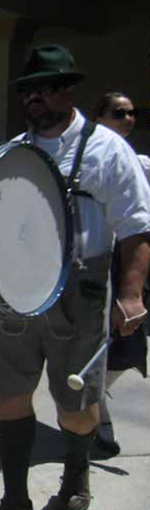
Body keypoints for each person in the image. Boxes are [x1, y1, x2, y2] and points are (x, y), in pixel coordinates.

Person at [0, 45, 150, 510]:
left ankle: (75, 475)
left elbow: (138, 226)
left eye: (45, 88)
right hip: (12, 288)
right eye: (28, 90)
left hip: (80, 289)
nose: (33, 98)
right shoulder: (12, 152)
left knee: (74, 403)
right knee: (10, 394)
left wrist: (132, 295)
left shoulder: (106, 148)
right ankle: (15, 503)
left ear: (69, 90)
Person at [92, 91, 149, 455]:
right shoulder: (90, 158)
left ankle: (96, 393)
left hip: (131, 261)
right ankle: (97, 413)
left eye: (132, 114)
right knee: (100, 344)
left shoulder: (141, 163)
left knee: (130, 348)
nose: (127, 119)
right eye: (118, 113)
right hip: (96, 259)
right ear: (99, 119)